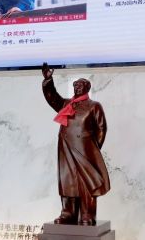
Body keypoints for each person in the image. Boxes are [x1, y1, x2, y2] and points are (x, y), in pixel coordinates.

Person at [41, 62, 110, 226]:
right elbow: (52, 98)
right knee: (67, 180)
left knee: (86, 182)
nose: (77, 88)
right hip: (65, 148)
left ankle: (87, 215)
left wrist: (93, 149)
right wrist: (48, 81)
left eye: (80, 85)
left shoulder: (94, 106)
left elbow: (102, 128)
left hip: (84, 150)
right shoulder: (66, 105)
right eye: (75, 85)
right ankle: (68, 213)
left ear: (87, 88)